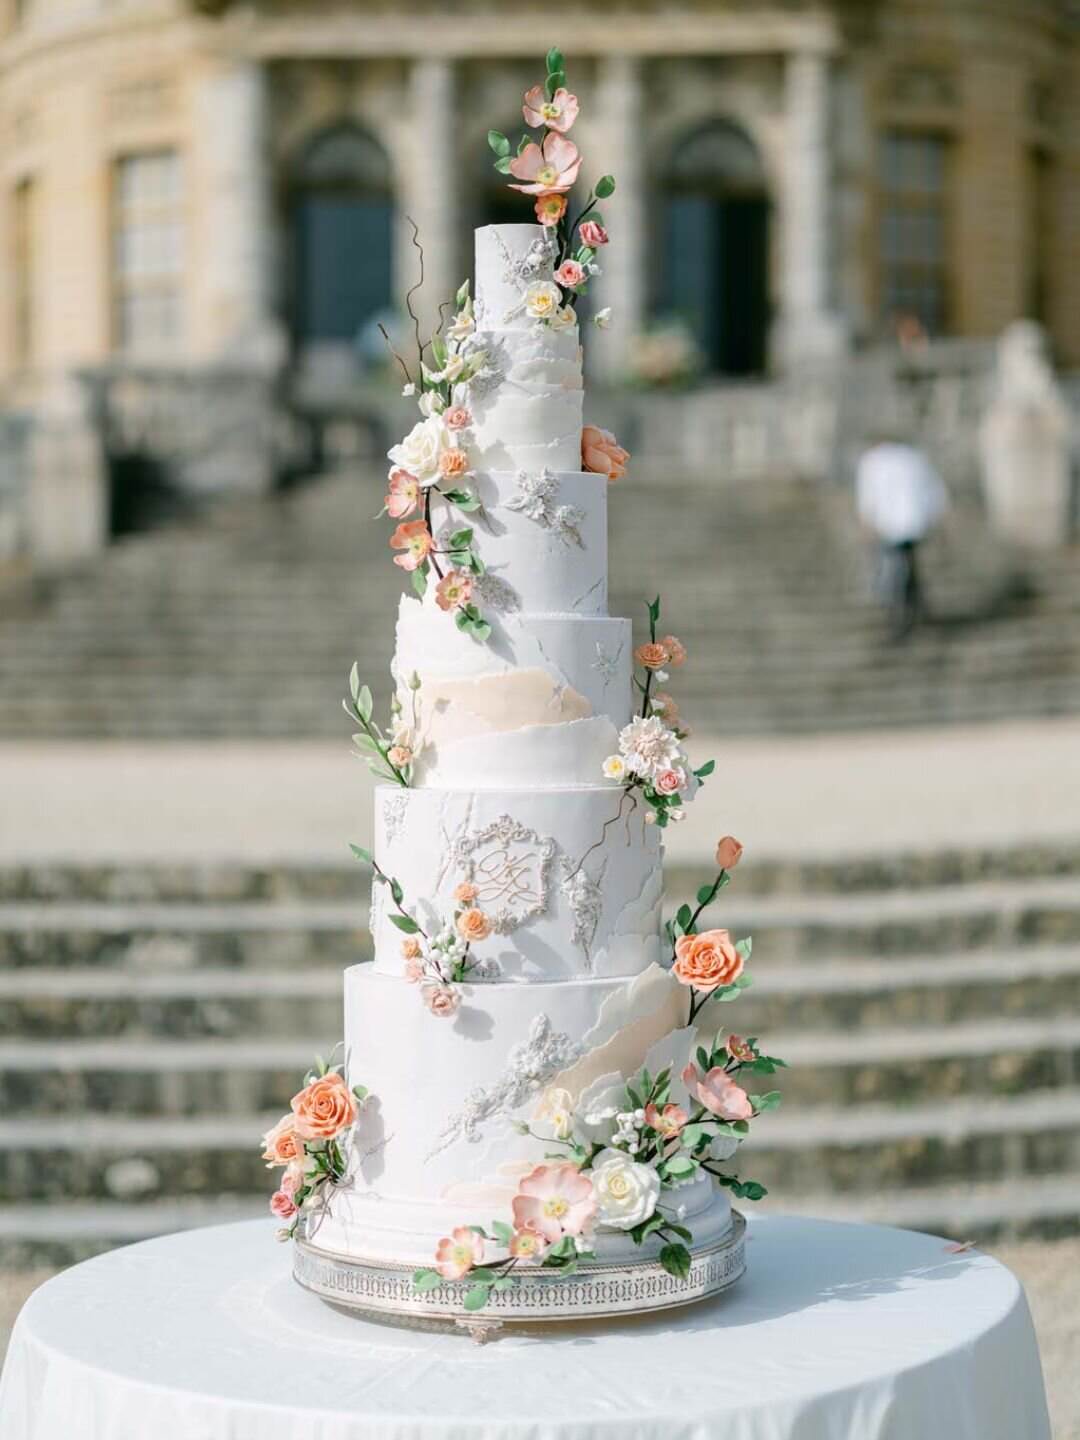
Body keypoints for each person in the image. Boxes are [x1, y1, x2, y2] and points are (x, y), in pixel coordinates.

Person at [856, 435, 947, 640]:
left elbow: (868, 496)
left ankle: (901, 616)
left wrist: (866, 523)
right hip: (913, 522)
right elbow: (934, 491)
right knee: (908, 566)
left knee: (895, 570)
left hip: (890, 524)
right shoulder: (914, 457)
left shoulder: (873, 461)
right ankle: (915, 611)